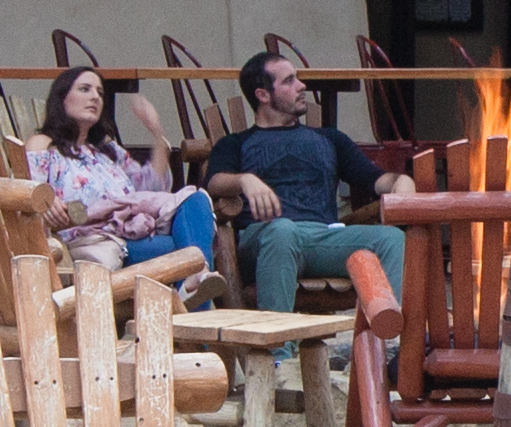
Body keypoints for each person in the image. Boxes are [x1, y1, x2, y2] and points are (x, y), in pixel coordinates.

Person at [201, 44, 391, 313]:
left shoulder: (329, 139)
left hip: (324, 239)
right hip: (265, 242)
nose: (302, 86)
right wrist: (245, 180)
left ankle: (391, 334)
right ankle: (278, 339)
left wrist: (400, 183)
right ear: (263, 95)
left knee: (390, 239)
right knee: (283, 230)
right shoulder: (236, 144)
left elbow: (375, 179)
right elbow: (213, 183)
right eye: (289, 81)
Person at [25, 63, 219, 279]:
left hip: (133, 233)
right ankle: (198, 280)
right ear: (61, 98)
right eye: (84, 89)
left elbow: (152, 187)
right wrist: (46, 200)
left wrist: (156, 133)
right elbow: (28, 192)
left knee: (196, 200)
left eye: (100, 93)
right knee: (191, 247)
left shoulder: (106, 151)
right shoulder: (44, 145)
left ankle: (196, 280)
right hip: (92, 244)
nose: (95, 97)